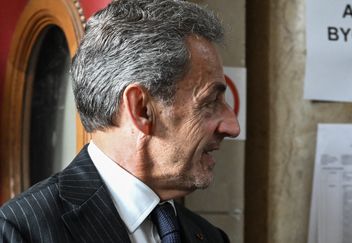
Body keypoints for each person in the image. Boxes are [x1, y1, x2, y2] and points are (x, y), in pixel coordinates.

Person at [0, 0, 240, 242]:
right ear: (142, 109)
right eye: (210, 102)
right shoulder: (20, 231)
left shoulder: (210, 237)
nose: (233, 127)